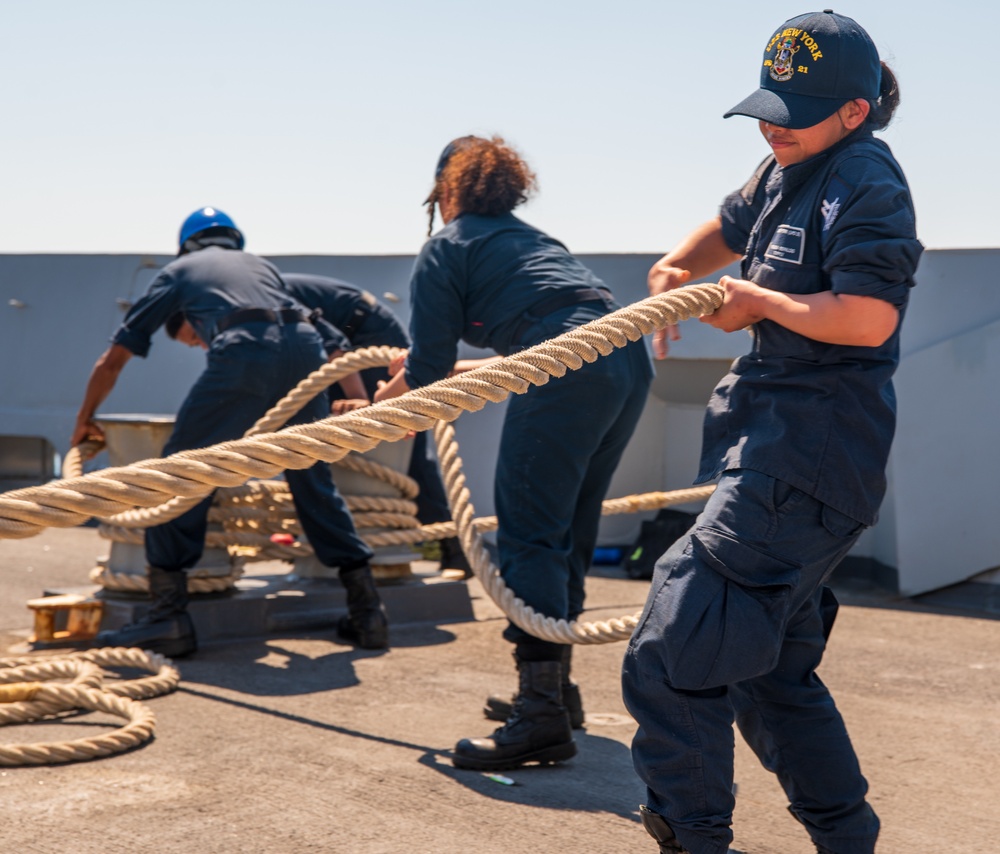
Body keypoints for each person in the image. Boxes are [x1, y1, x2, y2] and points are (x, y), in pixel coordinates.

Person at [620, 11, 922, 854]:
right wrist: (681, 264)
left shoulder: (867, 181)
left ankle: (693, 839)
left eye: (793, 111)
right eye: (767, 106)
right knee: (770, 674)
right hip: (787, 461)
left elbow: (867, 317)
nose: (772, 124)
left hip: (804, 461)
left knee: (673, 657)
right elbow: (729, 223)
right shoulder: (785, 166)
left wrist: (762, 304)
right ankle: (847, 841)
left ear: (855, 111)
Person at [373, 136, 653, 770]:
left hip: (564, 363)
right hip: (623, 356)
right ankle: (559, 689)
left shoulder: (447, 246)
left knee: (528, 534)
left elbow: (431, 369)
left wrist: (369, 409)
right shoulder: (531, 238)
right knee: (569, 529)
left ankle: (541, 715)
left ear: (447, 191)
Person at [71, 207, 389, 657]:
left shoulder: (178, 271)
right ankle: (368, 612)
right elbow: (326, 333)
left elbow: (114, 359)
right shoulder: (261, 267)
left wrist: (84, 418)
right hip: (305, 350)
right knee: (311, 475)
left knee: (176, 473)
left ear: (186, 246)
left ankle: (167, 618)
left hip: (245, 350)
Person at [276, 273, 469, 575]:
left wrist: (358, 397)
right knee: (313, 434)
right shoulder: (249, 292)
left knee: (400, 446)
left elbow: (331, 342)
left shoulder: (262, 293)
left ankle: (455, 551)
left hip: (367, 334)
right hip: (339, 344)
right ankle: (323, 542)